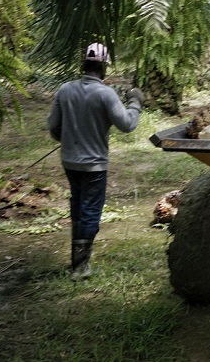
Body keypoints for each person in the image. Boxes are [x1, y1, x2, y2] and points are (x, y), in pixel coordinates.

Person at [47, 43, 145, 280]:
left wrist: (69, 139)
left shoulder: (65, 90)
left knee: (78, 207)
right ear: (103, 67)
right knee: (90, 210)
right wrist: (135, 101)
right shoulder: (105, 94)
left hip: (69, 161)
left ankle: (76, 262)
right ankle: (80, 267)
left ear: (85, 64)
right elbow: (127, 125)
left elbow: (53, 126)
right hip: (94, 165)